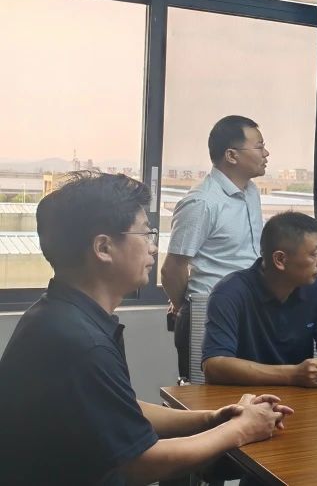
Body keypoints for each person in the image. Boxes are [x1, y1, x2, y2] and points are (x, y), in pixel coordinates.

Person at [0, 172, 291, 485]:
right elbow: (139, 464)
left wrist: (213, 417)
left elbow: (118, 410)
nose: (153, 248)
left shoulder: (61, 315)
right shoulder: (81, 343)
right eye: (145, 234)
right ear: (103, 248)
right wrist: (241, 429)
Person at [163, 115, 269, 380]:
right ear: (231, 155)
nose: (266, 153)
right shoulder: (202, 202)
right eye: (259, 146)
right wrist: (184, 307)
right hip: (208, 312)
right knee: (205, 395)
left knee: (251, 391)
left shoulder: (251, 192)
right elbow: (172, 268)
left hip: (249, 309)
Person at [201, 212, 317, 387]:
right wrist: (292, 375)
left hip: (300, 397)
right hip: (242, 398)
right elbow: (214, 366)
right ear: (280, 259)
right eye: (314, 254)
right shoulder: (229, 293)